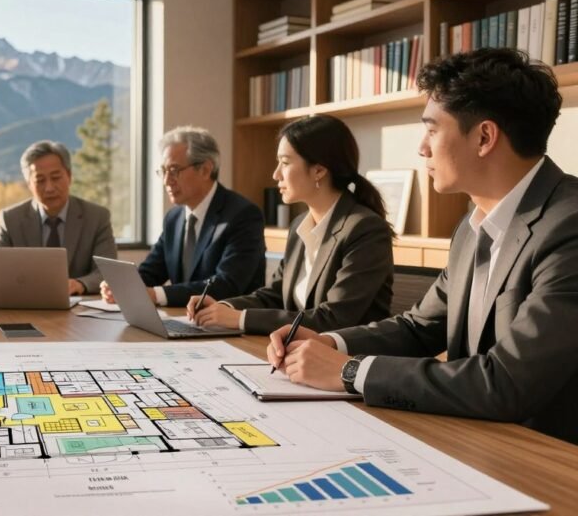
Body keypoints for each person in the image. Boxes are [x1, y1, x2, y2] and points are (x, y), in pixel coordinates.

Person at [267, 48, 578, 445]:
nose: (421, 148)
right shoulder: (471, 227)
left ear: (484, 137)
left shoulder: (568, 224)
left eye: (431, 129)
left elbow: (506, 382)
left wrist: (349, 371)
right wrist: (329, 342)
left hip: (550, 459)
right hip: (478, 440)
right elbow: (420, 328)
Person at [187, 115, 393, 334]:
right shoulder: (299, 227)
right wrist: (224, 307)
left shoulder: (365, 229)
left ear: (319, 170)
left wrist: (240, 319)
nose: (276, 174)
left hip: (346, 360)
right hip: (295, 353)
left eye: (284, 163)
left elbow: (334, 318)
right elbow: (274, 295)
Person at [102, 125, 265, 307]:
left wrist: (155, 295)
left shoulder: (243, 215)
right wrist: (123, 286)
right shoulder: (174, 218)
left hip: (231, 327)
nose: (166, 181)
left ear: (205, 170)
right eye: (163, 171)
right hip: (184, 320)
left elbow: (226, 285)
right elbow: (152, 271)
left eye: (174, 170)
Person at [0, 140, 116, 295]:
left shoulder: (97, 217)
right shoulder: (10, 219)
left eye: (56, 177)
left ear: (69, 176)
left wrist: (80, 284)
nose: (49, 188)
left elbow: (107, 272)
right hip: (26, 305)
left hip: (80, 309)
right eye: (40, 180)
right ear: (29, 184)